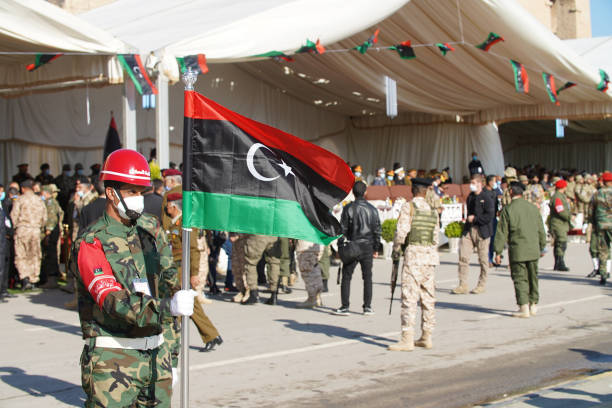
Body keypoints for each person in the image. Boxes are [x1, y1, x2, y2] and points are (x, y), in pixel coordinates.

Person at [72, 148, 197, 406]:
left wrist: (172, 355)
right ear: (110, 193)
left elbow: (169, 286)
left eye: (141, 192)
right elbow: (111, 299)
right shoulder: (92, 241)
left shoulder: (150, 229)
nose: (138, 198)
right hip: (114, 361)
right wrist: (166, 307)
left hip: (156, 357)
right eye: (131, 192)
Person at [165, 192, 222, 350]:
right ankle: (211, 335)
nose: (166, 208)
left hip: (183, 269)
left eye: (168, 206)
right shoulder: (175, 223)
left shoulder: (185, 223)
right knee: (185, 303)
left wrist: (194, 273)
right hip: (176, 268)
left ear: (174, 206)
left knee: (182, 303)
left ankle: (174, 339)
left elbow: (193, 250)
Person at [388, 178, 440, 351]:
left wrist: (396, 250)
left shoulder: (409, 207)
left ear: (413, 190)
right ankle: (427, 336)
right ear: (425, 192)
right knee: (428, 297)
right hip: (429, 258)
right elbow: (435, 238)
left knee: (410, 298)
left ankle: (407, 339)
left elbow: (401, 233)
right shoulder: (433, 211)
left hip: (414, 258)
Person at [494, 182, 547, 318]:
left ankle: (523, 306)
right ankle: (533, 304)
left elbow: (502, 233)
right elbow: (541, 229)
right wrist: (542, 246)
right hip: (533, 248)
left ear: (511, 191)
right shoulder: (533, 208)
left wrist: (498, 251)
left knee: (520, 278)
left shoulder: (508, 209)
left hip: (518, 249)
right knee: (533, 277)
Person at [334, 181, 381, 315]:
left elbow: (342, 230)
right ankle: (367, 307)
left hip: (352, 244)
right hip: (367, 246)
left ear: (353, 193)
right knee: (367, 277)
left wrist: (340, 248)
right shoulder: (372, 209)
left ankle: (345, 306)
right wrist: (376, 248)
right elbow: (377, 230)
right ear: (365, 192)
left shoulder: (348, 208)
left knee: (347, 276)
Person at [452, 174, 495, 294]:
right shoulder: (470, 197)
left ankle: (482, 284)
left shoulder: (487, 197)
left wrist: (475, 218)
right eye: (471, 183)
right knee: (463, 256)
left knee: (483, 259)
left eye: (473, 183)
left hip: (482, 231)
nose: (471, 185)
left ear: (480, 184)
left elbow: (489, 216)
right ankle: (463, 284)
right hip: (469, 230)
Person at [11, 179, 47, 290]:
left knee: (21, 255)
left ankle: (25, 278)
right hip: (35, 230)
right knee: (35, 255)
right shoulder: (39, 200)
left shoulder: (19, 200)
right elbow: (44, 218)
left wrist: (15, 228)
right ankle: (33, 280)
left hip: (22, 230)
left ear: (22, 189)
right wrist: (39, 227)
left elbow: (14, 216)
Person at [242, 234, 281, 305]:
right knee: (274, 263)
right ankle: (274, 294)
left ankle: (254, 294)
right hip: (273, 234)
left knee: (251, 263)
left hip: (258, 232)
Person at [39, 184, 64, 289]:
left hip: (51, 232)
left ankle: (52, 279)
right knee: (49, 255)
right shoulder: (51, 202)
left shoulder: (50, 203)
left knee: (51, 255)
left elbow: (52, 218)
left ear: (45, 193)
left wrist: (47, 233)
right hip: (52, 231)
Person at [592, 171, 612, 285]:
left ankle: (603, 274)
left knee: (603, 249)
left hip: (601, 223)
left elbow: (591, 211)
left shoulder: (596, 194)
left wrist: (593, 223)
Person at [549, 179, 572, 271]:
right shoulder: (558, 197)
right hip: (558, 223)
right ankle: (560, 263)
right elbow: (560, 210)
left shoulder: (560, 196)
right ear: (563, 187)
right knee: (561, 243)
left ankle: (558, 263)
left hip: (560, 223)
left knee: (559, 243)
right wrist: (569, 217)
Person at [295, 239, 325, 308]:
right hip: (318, 245)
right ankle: (317, 298)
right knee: (315, 270)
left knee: (307, 273)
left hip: (305, 247)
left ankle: (312, 299)